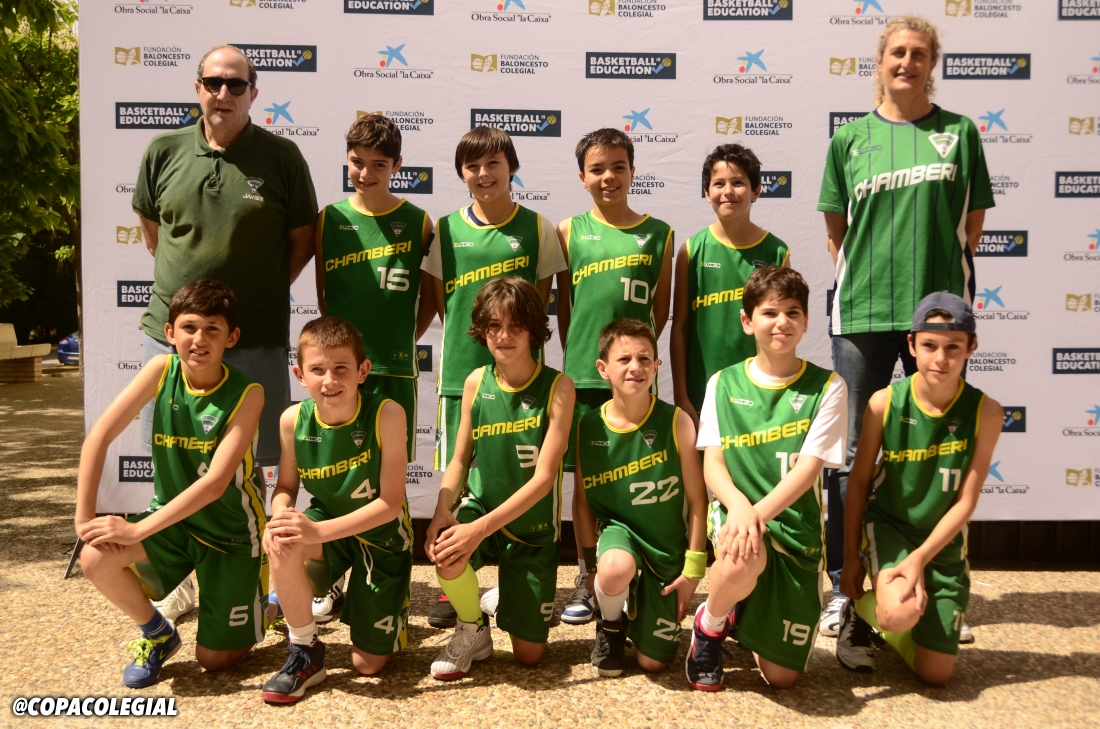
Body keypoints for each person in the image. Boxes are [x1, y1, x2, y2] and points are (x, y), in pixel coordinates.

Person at [815, 15, 994, 636]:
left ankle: (938, 586)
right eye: (897, 52)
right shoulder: (849, 140)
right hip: (862, 312)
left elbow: (972, 226)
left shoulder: (960, 134)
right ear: (880, 61)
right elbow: (836, 233)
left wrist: (938, 293)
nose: (907, 62)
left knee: (941, 450)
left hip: (937, 319)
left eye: (919, 53)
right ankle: (845, 586)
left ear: (931, 64)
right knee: (848, 456)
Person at [75, 280, 266, 688]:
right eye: (189, 327)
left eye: (212, 329)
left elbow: (215, 484)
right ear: (170, 332)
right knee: (95, 556)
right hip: (173, 523)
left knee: (213, 661)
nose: (199, 339)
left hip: (230, 533)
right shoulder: (161, 369)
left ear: (231, 337)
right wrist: (83, 518)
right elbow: (99, 437)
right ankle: (159, 634)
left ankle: (260, 603)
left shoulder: (248, 393)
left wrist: (135, 529)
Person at [420, 127, 566, 629]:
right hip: (463, 374)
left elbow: (537, 303)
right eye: (473, 166)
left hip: (522, 381)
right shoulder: (445, 229)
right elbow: (442, 302)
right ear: (462, 173)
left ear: (512, 168)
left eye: (493, 164)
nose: (483, 174)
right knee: (460, 476)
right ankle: (458, 581)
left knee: (518, 475)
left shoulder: (538, 227)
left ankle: (514, 576)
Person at [684, 267, 848, 691]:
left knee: (782, 678)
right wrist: (740, 509)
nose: (782, 322)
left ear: (806, 321)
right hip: (737, 517)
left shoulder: (828, 386)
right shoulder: (722, 383)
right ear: (747, 321)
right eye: (770, 312)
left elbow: (808, 470)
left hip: (794, 530)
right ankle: (710, 625)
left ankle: (741, 607)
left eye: (793, 312)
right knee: (743, 556)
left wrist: (755, 515)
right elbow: (713, 464)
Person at [835, 292, 1000, 683]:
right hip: (890, 527)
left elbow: (966, 502)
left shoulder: (987, 412)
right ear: (911, 345)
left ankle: (908, 619)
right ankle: (863, 611)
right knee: (897, 612)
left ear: (971, 347)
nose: (940, 358)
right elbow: (858, 482)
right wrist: (851, 557)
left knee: (936, 674)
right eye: (929, 346)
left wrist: (920, 560)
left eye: (953, 347)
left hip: (942, 542)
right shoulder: (884, 402)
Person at [308, 113, 434, 624]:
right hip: (338, 372)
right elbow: (323, 295)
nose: (366, 173)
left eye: (379, 165)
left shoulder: (419, 221)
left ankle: (388, 583)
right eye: (358, 162)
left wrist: (398, 343)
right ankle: (335, 578)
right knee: (341, 472)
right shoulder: (328, 219)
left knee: (387, 481)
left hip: (393, 371)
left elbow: (429, 300)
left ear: (397, 165)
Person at [425, 276, 575, 680]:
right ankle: (472, 627)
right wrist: (442, 511)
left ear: (533, 329)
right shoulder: (476, 381)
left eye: (515, 326)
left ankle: (502, 598)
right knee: (447, 549)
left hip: (533, 528)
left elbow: (544, 479)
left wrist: (478, 531)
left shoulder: (559, 387)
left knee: (529, 656)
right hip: (482, 506)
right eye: (494, 325)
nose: (504, 335)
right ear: (482, 329)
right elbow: (459, 459)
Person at [556, 128, 674, 625]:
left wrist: (632, 365)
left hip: (633, 381)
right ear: (582, 177)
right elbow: (565, 309)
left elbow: (660, 312)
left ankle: (634, 571)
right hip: (584, 376)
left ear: (632, 171)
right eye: (597, 169)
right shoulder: (567, 231)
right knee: (587, 483)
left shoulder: (660, 233)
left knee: (638, 476)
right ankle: (588, 576)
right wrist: (585, 359)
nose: (608, 177)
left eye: (618, 167)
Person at [260, 317, 412, 703]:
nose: (330, 380)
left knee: (367, 665)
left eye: (341, 368)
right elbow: (286, 488)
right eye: (318, 370)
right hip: (328, 525)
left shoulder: (388, 413)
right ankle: (305, 649)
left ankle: (386, 597)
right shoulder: (292, 420)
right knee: (281, 539)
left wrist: (315, 532)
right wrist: (280, 515)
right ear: (299, 375)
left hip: (382, 537)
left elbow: (390, 504)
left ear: (363, 370)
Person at [573, 318, 707, 676]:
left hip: (665, 552)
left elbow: (698, 501)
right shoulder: (588, 425)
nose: (636, 367)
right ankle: (611, 626)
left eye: (645, 359)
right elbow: (583, 503)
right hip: (620, 538)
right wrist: (589, 569)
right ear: (602, 368)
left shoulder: (677, 421)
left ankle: (634, 603)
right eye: (624, 359)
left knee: (654, 664)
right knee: (614, 570)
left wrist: (693, 571)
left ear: (657, 365)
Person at [671, 144, 790, 426]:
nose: (728, 191)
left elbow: (781, 329)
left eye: (738, 183)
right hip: (700, 394)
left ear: (756, 191)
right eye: (719, 183)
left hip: (757, 390)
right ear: (706, 192)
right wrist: (681, 396)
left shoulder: (776, 252)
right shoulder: (691, 250)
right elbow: (680, 327)